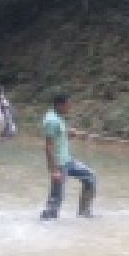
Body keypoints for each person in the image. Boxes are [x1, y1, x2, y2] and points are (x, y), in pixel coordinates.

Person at [39, 92, 97, 220]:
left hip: (68, 161)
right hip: (59, 164)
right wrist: (54, 170)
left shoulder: (57, 117)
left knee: (90, 177)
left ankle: (84, 212)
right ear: (60, 105)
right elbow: (48, 146)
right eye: (68, 105)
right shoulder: (52, 121)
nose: (70, 107)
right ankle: (46, 222)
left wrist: (76, 134)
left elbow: (61, 135)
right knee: (56, 198)